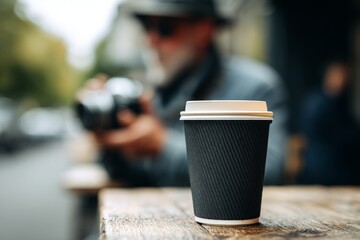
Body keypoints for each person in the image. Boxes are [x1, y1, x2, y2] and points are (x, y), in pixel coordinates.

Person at [90, 0, 288, 186]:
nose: (151, 40)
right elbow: (142, 172)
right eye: (147, 27)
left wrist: (162, 145)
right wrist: (112, 138)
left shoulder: (253, 88)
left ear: (204, 31)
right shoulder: (157, 91)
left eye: (165, 28)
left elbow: (266, 172)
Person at [299, 61, 360, 185]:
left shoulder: (324, 100)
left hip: (321, 164)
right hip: (325, 167)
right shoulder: (322, 103)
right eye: (339, 75)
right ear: (329, 75)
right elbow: (339, 134)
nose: (343, 81)